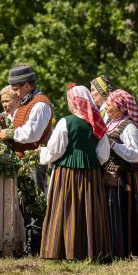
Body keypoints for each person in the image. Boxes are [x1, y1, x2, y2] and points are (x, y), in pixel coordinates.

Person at [39, 85, 112, 261]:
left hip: (67, 173)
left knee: (66, 208)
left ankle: (64, 250)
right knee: (89, 209)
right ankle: (91, 251)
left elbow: (56, 150)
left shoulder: (66, 122)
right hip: (91, 174)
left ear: (74, 101)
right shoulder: (98, 123)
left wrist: (42, 154)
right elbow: (103, 154)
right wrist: (91, 162)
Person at [102, 88, 138, 259]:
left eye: (109, 105)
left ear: (121, 108)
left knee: (121, 211)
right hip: (109, 174)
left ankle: (122, 250)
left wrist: (113, 145)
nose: (106, 108)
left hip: (123, 177)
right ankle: (110, 248)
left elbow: (134, 153)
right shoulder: (110, 123)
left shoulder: (129, 127)